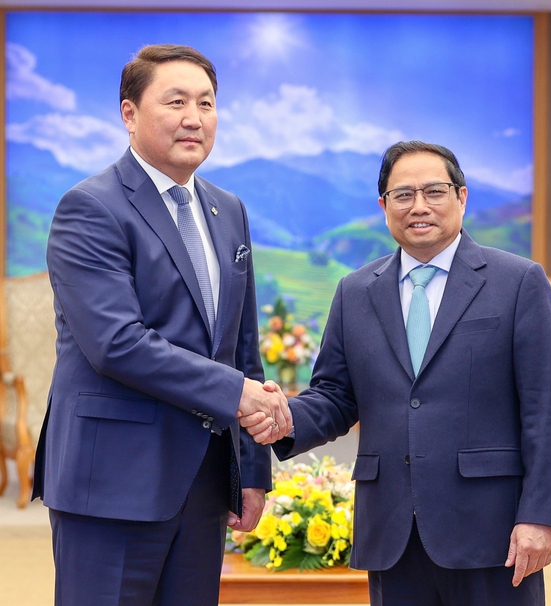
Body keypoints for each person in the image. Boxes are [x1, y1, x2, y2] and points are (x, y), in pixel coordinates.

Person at [246, 141, 551, 606]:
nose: (419, 206)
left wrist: (540, 516)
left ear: (461, 197)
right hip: (392, 532)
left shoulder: (518, 282)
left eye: (434, 191)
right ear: (384, 207)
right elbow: (337, 396)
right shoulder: (355, 292)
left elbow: (548, 409)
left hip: (491, 531)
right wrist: (283, 417)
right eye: (403, 195)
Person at [32, 44, 291, 606]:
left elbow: (241, 346)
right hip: (112, 482)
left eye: (206, 103)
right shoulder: (91, 207)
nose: (194, 117)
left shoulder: (229, 209)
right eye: (176, 102)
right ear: (129, 113)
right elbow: (116, 344)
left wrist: (251, 472)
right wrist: (237, 393)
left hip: (203, 484)